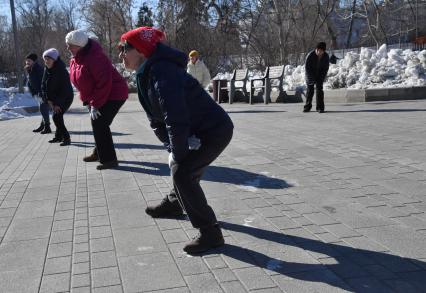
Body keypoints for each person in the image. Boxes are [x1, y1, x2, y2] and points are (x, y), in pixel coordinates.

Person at [119, 27, 234, 254]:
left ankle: (211, 233)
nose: (121, 54)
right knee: (184, 170)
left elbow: (175, 117)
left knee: (183, 173)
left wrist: (178, 153)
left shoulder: (162, 71)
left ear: (141, 50)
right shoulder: (146, 72)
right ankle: (175, 203)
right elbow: (156, 119)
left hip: (213, 131)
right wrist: (172, 147)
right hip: (196, 131)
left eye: (125, 48)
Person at [66, 29, 129, 170]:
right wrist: (89, 101)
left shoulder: (95, 57)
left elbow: (103, 83)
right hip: (97, 96)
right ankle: (99, 152)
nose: (67, 47)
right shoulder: (75, 58)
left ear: (79, 45)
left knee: (100, 124)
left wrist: (95, 104)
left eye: (70, 44)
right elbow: (82, 81)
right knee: (98, 124)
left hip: (115, 94)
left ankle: (109, 159)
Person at [41, 48, 74, 146]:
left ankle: (66, 138)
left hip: (65, 98)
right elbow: (43, 86)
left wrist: (58, 104)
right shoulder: (46, 70)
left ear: (54, 60)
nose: (46, 61)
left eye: (49, 59)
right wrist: (48, 100)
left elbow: (65, 90)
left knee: (56, 117)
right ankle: (58, 137)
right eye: (45, 59)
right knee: (57, 116)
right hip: (53, 99)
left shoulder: (61, 71)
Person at [25, 53, 51, 134]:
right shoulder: (30, 69)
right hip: (37, 93)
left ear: (34, 61)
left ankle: (47, 127)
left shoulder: (38, 69)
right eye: (26, 61)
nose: (27, 62)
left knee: (43, 109)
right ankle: (43, 125)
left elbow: (43, 82)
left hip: (42, 93)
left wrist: (42, 93)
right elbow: (30, 82)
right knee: (43, 109)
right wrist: (33, 93)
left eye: (29, 61)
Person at [303, 42, 329, 113]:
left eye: (321, 51)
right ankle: (307, 107)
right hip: (310, 74)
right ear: (316, 49)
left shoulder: (326, 56)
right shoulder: (310, 55)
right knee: (310, 90)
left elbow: (325, 69)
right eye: (318, 50)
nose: (319, 52)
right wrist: (311, 79)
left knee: (319, 90)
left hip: (320, 74)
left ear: (324, 51)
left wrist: (321, 78)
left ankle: (320, 108)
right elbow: (307, 68)